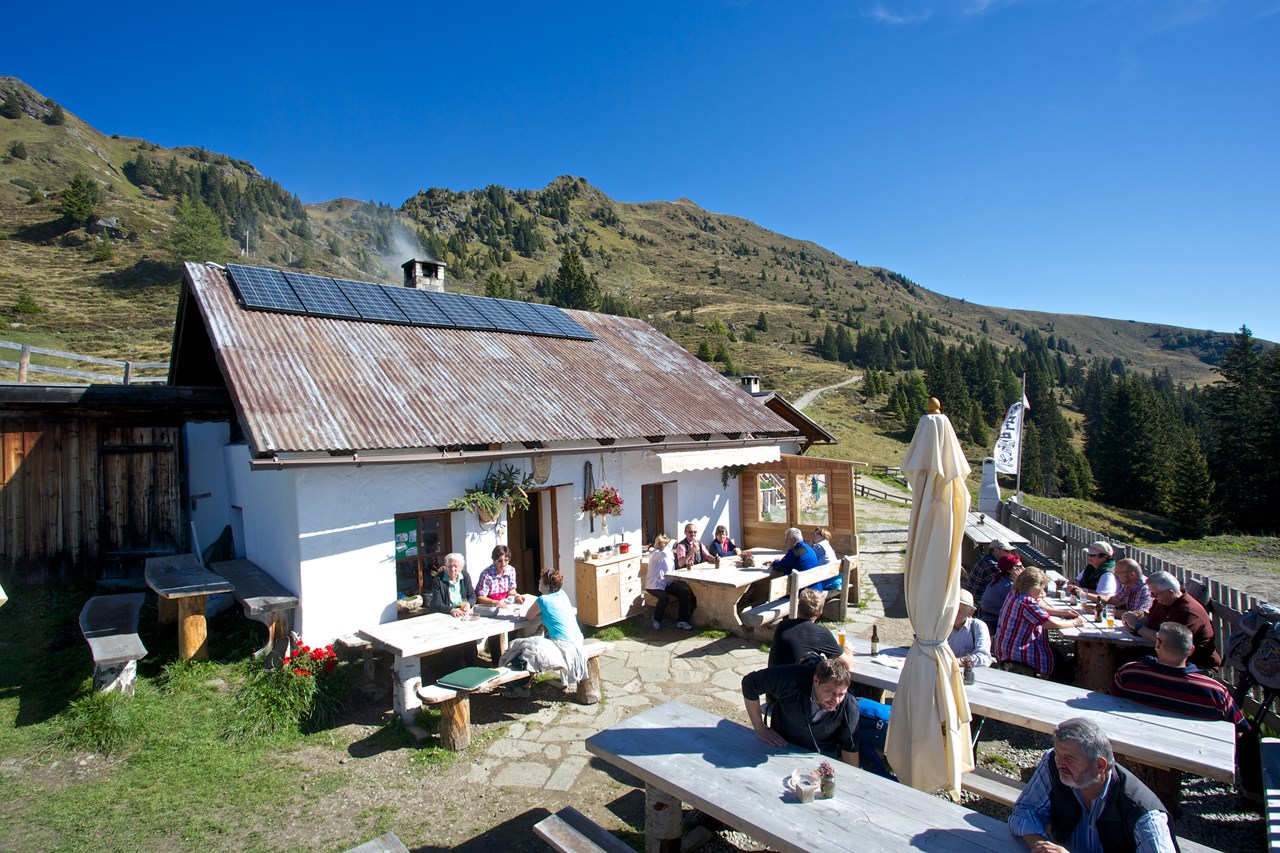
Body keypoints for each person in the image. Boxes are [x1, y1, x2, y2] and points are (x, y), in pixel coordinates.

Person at [1009, 717, 1176, 853]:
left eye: (1069, 758)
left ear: (1100, 765)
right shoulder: (1053, 764)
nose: (1060, 763)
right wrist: (1041, 846)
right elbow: (1024, 810)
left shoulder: (1144, 815)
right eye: (1058, 753)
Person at [1111, 623, 1249, 728]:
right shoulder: (1215, 691)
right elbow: (1240, 728)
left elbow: (1110, 703)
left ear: (1158, 643)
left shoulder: (1129, 673)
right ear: (1191, 650)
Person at [741, 657, 861, 767]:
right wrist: (759, 728)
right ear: (816, 680)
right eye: (829, 692)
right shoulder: (792, 679)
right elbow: (750, 683)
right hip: (779, 746)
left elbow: (849, 747)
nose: (835, 700)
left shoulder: (849, 706)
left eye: (841, 694)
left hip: (821, 760)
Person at [994, 566, 1084, 681]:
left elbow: (1039, 609)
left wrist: (1064, 613)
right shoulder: (1026, 602)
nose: (1042, 591)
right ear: (1032, 586)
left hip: (1006, 649)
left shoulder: (1014, 594)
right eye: (1041, 588)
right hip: (1019, 653)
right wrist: (1075, 622)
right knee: (1064, 670)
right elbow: (1050, 624)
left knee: (1058, 655)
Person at [1121, 571, 1220, 670]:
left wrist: (1137, 627)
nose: (1152, 597)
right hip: (1168, 655)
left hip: (1193, 664)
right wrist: (1135, 618)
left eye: (1154, 594)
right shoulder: (1163, 601)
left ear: (1170, 592)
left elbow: (1169, 641)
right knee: (1123, 653)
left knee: (1128, 660)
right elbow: (1151, 621)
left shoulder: (1188, 612)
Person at [769, 588, 840, 667]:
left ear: (798, 607)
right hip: (798, 675)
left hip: (774, 674)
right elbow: (846, 662)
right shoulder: (821, 633)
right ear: (820, 613)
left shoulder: (782, 626)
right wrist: (846, 648)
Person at [646, 534, 695, 630]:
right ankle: (656, 619)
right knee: (664, 598)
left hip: (667, 582)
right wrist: (671, 542)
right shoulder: (656, 554)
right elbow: (663, 553)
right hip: (654, 585)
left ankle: (682, 621)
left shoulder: (668, 553)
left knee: (683, 593)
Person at [525, 568, 584, 644]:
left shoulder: (543, 600)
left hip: (563, 643)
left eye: (541, 580)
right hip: (578, 640)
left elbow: (529, 616)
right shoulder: (562, 593)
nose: (539, 581)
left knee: (520, 644)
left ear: (547, 586)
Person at [979, 553, 1023, 635]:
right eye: (1019, 567)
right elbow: (1025, 601)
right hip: (992, 622)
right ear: (1010, 570)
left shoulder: (1001, 578)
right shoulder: (1007, 585)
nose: (1023, 569)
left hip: (990, 616)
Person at [948, 589, 992, 668]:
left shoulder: (977, 627)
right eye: (952, 609)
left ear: (971, 612)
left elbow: (984, 657)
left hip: (966, 673)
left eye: (959, 611)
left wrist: (959, 661)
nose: (954, 614)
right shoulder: (941, 626)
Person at [428, 552, 476, 618]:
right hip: (445, 613)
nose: (452, 569)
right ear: (446, 567)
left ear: (461, 567)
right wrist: (451, 610)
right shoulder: (438, 579)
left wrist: (469, 604)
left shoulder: (465, 576)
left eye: (455, 566)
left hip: (462, 611)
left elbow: (472, 596)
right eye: (450, 566)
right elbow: (437, 603)